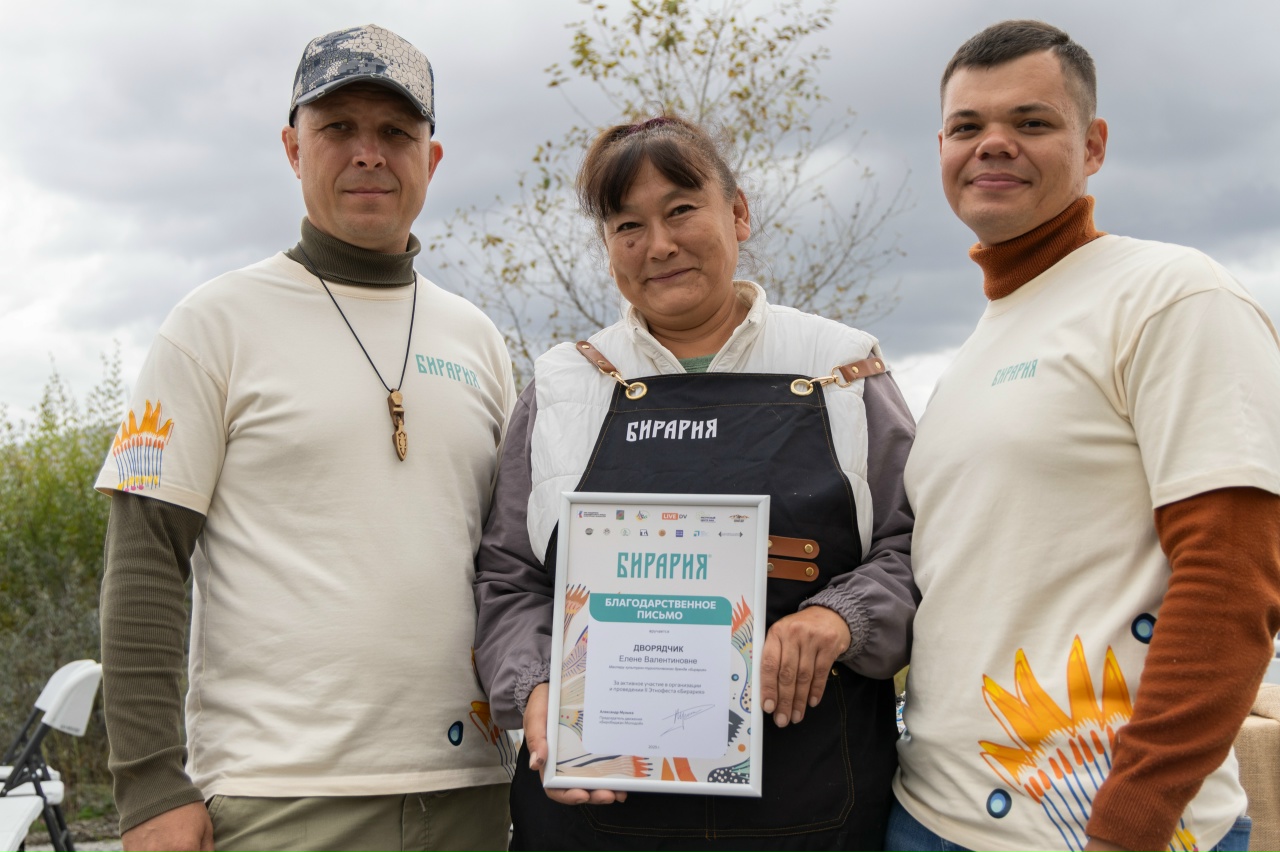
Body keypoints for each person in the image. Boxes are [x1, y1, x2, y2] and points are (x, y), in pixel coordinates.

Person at [94, 24, 516, 852]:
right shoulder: (212, 326)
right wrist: (149, 787)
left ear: (431, 160)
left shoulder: (478, 339)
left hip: (470, 789)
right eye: (338, 128)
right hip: (280, 799)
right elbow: (144, 562)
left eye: (396, 132)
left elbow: (511, 564)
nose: (368, 153)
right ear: (293, 149)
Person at [472, 114, 918, 850]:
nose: (659, 245)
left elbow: (914, 547)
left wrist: (841, 618)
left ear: (737, 213)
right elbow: (509, 578)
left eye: (681, 210)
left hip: (817, 806)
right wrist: (536, 688)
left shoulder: (841, 368)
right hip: (593, 818)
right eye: (627, 225)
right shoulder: (561, 386)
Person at [890, 19, 1280, 852]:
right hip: (927, 814)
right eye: (967, 126)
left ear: (1093, 145)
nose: (993, 144)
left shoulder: (1172, 296)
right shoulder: (973, 354)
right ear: (942, 149)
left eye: (1031, 122)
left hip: (1101, 830)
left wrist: (1133, 819)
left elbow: (1233, 576)